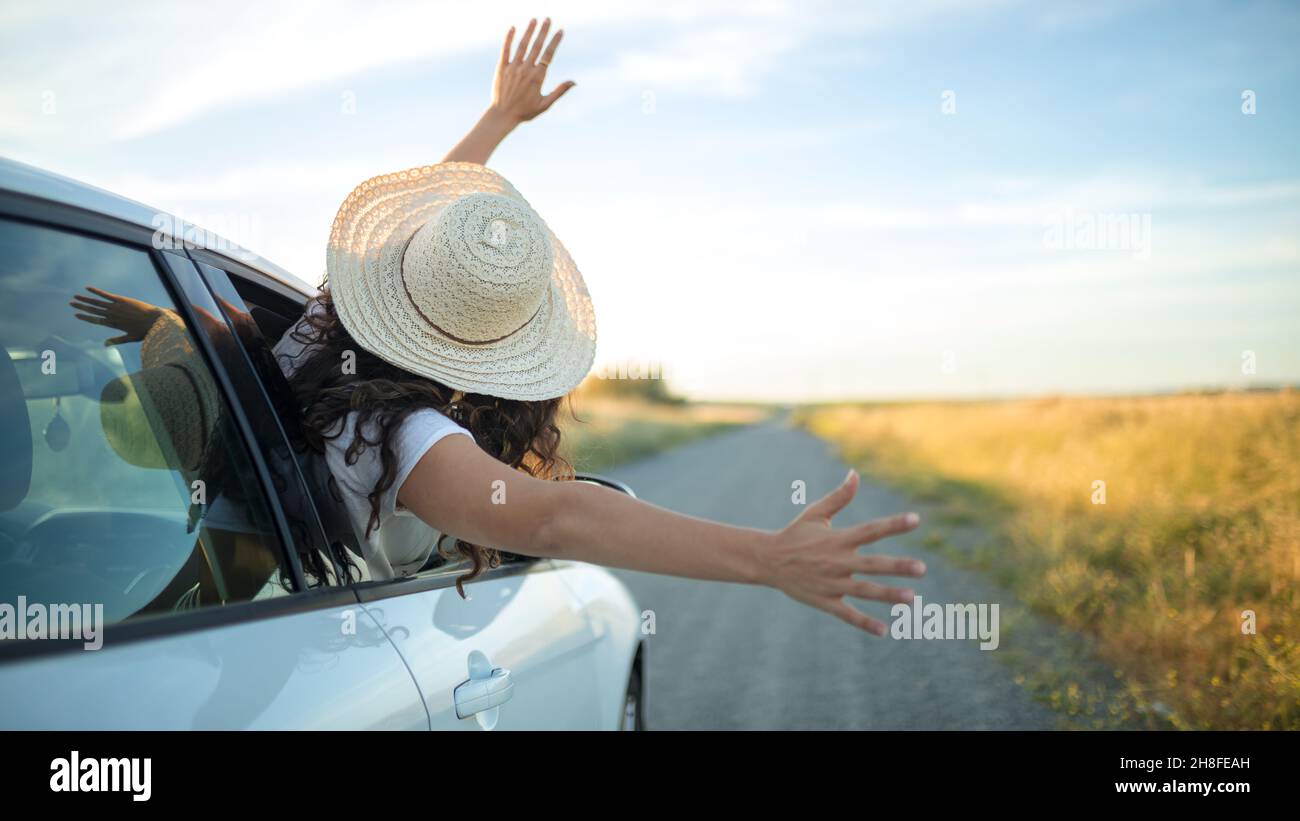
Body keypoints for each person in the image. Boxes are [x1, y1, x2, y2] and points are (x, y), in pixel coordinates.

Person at [90, 18, 928, 636]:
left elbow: (448, 203)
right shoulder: (410, 439)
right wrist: (764, 557)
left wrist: (499, 118)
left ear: (394, 275)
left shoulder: (319, 336)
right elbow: (553, 520)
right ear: (501, 356)